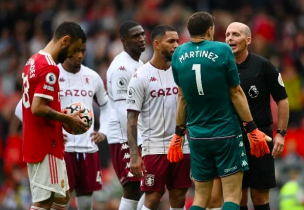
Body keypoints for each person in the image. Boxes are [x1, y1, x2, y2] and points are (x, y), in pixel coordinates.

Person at [168, 12, 272, 210]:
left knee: (200, 198)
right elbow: (236, 92)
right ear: (210, 30)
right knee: (231, 196)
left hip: (197, 135)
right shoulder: (222, 50)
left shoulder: (179, 54)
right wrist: (252, 129)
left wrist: (178, 133)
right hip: (225, 132)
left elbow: (181, 97)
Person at [16, 42, 111, 210]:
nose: (80, 55)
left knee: (84, 199)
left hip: (88, 147)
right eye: (76, 51)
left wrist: (103, 131)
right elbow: (21, 109)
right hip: (61, 148)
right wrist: (52, 130)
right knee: (58, 199)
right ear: (66, 50)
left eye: (83, 51)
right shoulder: (52, 73)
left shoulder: (93, 76)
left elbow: (106, 106)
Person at [19, 21, 88, 210]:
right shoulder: (50, 68)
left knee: (62, 197)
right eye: (74, 49)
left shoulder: (33, 61)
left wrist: (57, 126)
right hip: (45, 144)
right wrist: (68, 118)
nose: (75, 55)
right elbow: (37, 108)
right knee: (43, 202)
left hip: (41, 139)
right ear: (65, 40)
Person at [225, 22, 289, 210]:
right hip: (231, 136)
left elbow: (282, 100)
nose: (230, 38)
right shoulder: (221, 67)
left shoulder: (263, 66)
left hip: (260, 136)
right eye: (227, 34)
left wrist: (281, 133)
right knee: (238, 196)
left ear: (248, 40)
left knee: (260, 196)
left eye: (235, 34)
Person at [127, 25, 192, 210]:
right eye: (171, 41)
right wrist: (134, 156)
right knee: (153, 197)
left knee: (179, 195)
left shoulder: (181, 72)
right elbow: (132, 118)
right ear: (156, 44)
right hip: (153, 146)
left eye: (177, 41)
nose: (176, 45)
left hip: (181, 145)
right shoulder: (140, 76)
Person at [106, 21, 146, 210]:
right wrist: (135, 145)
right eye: (135, 36)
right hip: (124, 135)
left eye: (142, 34)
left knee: (143, 187)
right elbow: (124, 111)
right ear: (123, 40)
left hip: (135, 134)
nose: (142, 38)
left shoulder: (139, 63)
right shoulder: (121, 68)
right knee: (133, 188)